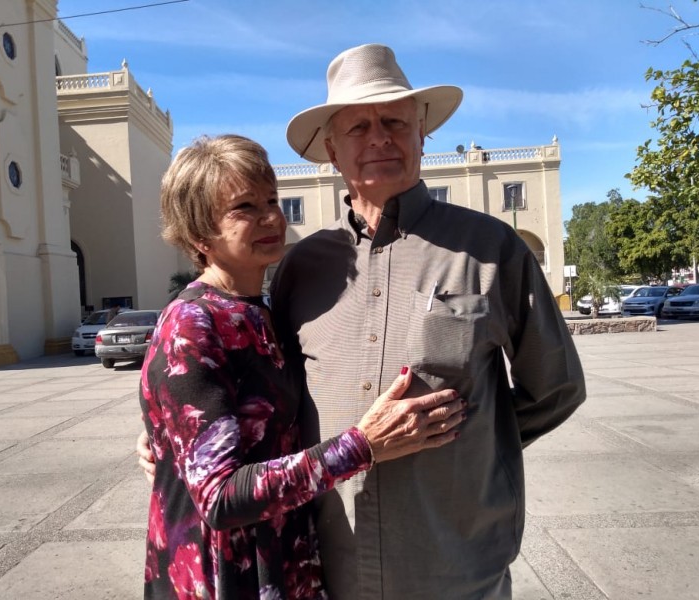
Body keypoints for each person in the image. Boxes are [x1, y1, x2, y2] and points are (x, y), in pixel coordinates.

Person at [139, 44, 586, 599]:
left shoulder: (491, 249)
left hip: (453, 566)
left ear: (421, 133)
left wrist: (469, 453)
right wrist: (172, 433)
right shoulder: (301, 267)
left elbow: (557, 387)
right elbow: (245, 399)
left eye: (395, 120)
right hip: (326, 568)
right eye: (357, 127)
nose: (379, 137)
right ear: (331, 148)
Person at [139, 133, 467, 599]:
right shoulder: (192, 324)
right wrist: (363, 445)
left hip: (280, 561)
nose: (270, 216)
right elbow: (220, 497)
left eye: (271, 200)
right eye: (244, 208)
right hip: (222, 577)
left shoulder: (260, 310)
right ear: (199, 234)